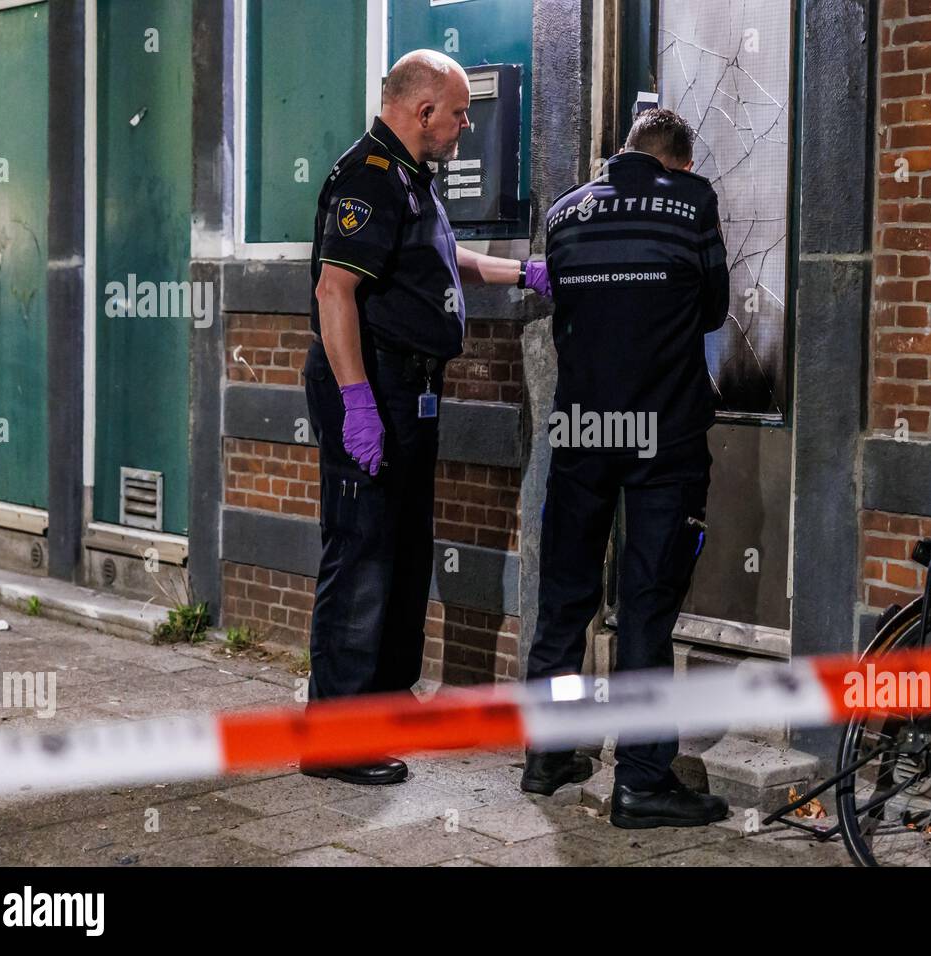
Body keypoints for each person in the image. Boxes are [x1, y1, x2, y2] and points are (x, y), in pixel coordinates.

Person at [300, 50, 550, 786]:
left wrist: (520, 272)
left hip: (411, 394)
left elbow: (444, 259)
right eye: (461, 112)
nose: (468, 125)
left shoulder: (410, 181)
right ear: (421, 112)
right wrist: (356, 404)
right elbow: (334, 293)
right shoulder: (368, 179)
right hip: (373, 386)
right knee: (363, 554)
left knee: (404, 556)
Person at [521, 108, 731, 828]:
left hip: (584, 429)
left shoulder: (565, 212)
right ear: (678, 161)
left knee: (567, 595)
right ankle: (641, 780)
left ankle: (550, 752)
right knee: (646, 605)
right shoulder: (693, 201)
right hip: (663, 436)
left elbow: (566, 305)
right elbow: (712, 309)